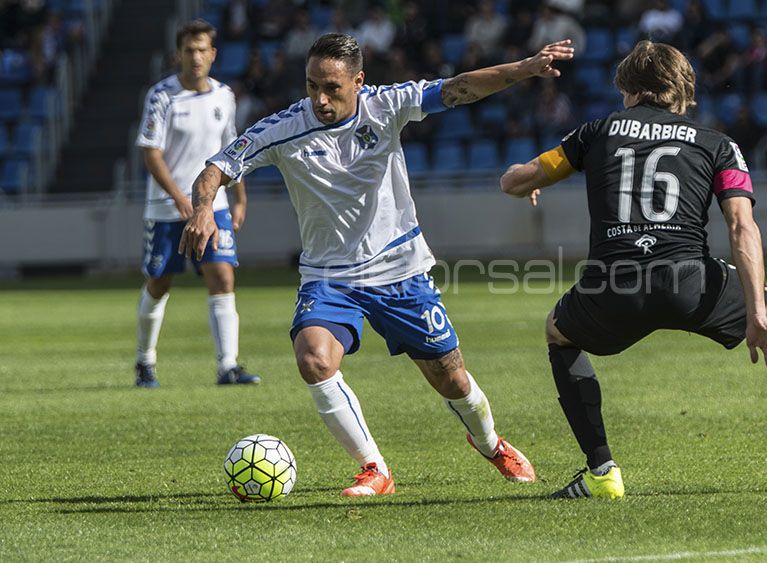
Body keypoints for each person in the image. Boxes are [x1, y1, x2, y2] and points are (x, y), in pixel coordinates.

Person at [179, 33, 575, 496]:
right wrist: (204, 207)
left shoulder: (386, 105)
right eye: (311, 87)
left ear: (359, 81)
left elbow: (460, 86)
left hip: (400, 270)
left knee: (451, 378)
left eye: (332, 88)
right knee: (313, 359)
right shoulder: (283, 129)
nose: (320, 99)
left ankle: (490, 444)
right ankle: (374, 468)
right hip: (329, 277)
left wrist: (525, 68)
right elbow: (216, 168)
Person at [500, 40, 767, 499]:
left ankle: (602, 471)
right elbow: (742, 227)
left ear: (628, 88)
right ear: (682, 88)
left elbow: (515, 181)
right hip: (690, 282)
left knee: (559, 332)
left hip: (612, 287)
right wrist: (756, 315)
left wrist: (527, 184)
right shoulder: (718, 145)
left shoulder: (595, 133)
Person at [134, 19, 259, 388]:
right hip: (166, 208)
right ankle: (145, 361)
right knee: (159, 282)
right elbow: (151, 153)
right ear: (179, 54)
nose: (196, 56)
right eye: (189, 50)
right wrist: (178, 196)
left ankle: (228, 366)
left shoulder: (224, 95)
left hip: (213, 205)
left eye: (203, 49)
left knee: (222, 275)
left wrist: (239, 196)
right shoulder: (161, 96)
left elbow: (233, 151)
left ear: (213, 54)